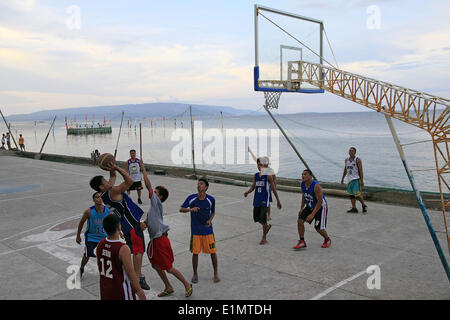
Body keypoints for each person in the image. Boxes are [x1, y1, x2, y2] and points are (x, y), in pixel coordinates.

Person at [89, 160, 151, 290]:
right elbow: (129, 181)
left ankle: (133, 275)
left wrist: (111, 167)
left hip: (127, 225)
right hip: (132, 225)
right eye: (104, 181)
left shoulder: (105, 193)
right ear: (101, 187)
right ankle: (137, 277)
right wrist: (117, 167)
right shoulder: (113, 192)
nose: (108, 181)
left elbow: (112, 177)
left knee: (135, 250)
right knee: (138, 251)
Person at [140, 160, 193, 298]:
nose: (152, 193)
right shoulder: (152, 209)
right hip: (155, 241)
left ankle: (187, 285)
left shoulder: (156, 203)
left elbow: (148, 185)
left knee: (169, 268)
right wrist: (143, 224)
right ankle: (168, 287)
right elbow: (147, 223)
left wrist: (143, 170)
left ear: (160, 196)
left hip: (160, 241)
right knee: (155, 266)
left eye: (155, 192)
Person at [96, 213, 146, 300]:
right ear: (119, 227)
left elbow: (99, 265)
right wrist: (139, 291)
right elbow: (131, 273)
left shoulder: (101, 244)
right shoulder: (122, 248)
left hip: (106, 290)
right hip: (121, 291)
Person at [180, 178, 220, 284]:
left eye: (201, 184)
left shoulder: (211, 199)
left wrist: (210, 220)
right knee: (195, 253)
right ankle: (195, 274)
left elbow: (213, 212)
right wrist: (190, 209)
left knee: (213, 252)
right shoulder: (191, 198)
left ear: (206, 187)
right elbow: (181, 209)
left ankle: (216, 273)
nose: (199, 186)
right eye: (198, 184)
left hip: (207, 231)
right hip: (196, 231)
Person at [244, 157, 282, 245]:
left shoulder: (268, 175)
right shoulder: (256, 175)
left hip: (265, 199)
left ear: (264, 165)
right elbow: (253, 186)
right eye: (258, 164)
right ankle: (267, 227)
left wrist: (278, 201)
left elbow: (274, 188)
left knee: (263, 219)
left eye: (261, 164)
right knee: (257, 219)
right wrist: (247, 192)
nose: (259, 166)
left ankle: (264, 238)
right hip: (257, 199)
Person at [293, 169, 331, 249]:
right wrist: (301, 208)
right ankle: (302, 241)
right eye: (302, 174)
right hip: (310, 205)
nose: (303, 176)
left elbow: (320, 201)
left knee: (318, 228)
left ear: (310, 176)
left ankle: (327, 239)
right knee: (300, 221)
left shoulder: (316, 186)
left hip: (320, 207)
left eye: (305, 174)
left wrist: (312, 214)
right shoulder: (302, 184)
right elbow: (304, 195)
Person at [76, 192, 110, 279]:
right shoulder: (89, 211)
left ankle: (104, 272)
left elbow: (112, 222)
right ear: (93, 200)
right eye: (97, 197)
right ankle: (81, 269)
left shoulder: (107, 210)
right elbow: (81, 223)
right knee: (87, 255)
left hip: (103, 237)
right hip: (91, 237)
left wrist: (118, 232)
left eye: (100, 197)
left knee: (105, 255)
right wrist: (78, 236)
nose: (99, 199)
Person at [340, 147, 368, 214]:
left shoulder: (357, 160)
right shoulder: (346, 160)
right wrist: (342, 178)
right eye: (349, 150)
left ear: (355, 152)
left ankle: (364, 205)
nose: (350, 152)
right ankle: (354, 208)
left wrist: (361, 180)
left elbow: (361, 170)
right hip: (349, 180)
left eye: (352, 151)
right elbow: (345, 169)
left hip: (356, 179)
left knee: (357, 195)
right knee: (351, 195)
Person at [260, 156, 277, 221]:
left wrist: (274, 187)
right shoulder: (261, 169)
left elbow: (274, 178)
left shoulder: (270, 170)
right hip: (262, 188)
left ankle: (268, 215)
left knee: (267, 202)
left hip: (268, 189)